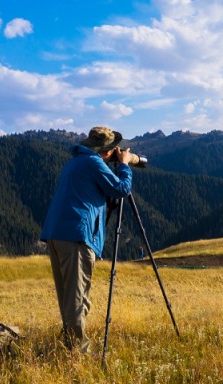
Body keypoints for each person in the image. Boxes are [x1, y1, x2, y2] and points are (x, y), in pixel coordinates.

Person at [40, 126, 133, 353]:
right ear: (107, 151)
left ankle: (69, 342)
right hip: (76, 237)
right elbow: (121, 189)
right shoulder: (93, 163)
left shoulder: (76, 162)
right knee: (77, 298)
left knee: (69, 296)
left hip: (57, 233)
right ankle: (78, 351)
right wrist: (124, 166)